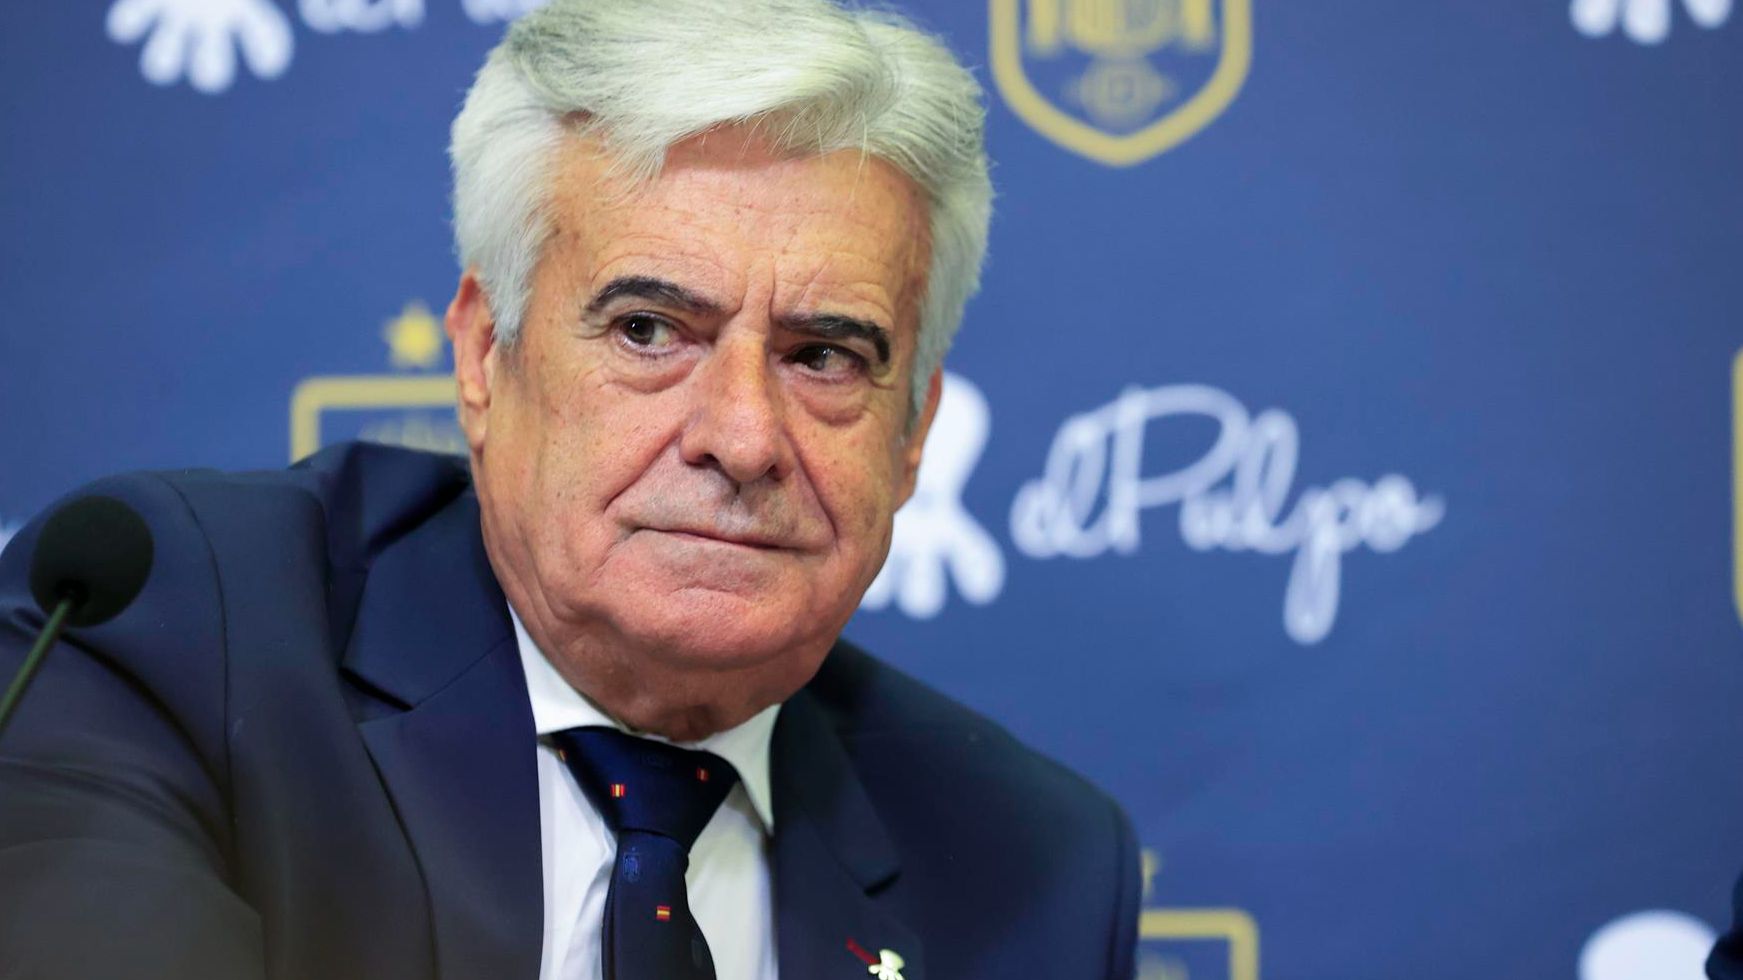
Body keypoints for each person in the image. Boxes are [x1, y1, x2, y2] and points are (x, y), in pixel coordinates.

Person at [0, 1, 1141, 978]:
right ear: (483, 354)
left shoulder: (1030, 870)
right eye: (649, 330)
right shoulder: (168, 647)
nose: (744, 438)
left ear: (913, 434)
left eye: (824, 356)